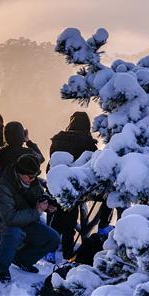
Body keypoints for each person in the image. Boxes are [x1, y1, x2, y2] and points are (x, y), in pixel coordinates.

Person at [0, 154, 61, 283]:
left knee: (53, 238)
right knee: (14, 232)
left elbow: (38, 197)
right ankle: (2, 268)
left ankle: (22, 260)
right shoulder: (3, 188)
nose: (33, 179)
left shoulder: (32, 181)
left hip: (25, 219)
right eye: (30, 176)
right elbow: (9, 218)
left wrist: (48, 205)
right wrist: (37, 211)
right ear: (20, 173)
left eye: (35, 175)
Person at [48, 111, 97, 259]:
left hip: (55, 180)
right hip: (74, 184)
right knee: (70, 219)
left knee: (55, 217)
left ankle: (50, 248)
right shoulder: (87, 142)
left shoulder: (58, 139)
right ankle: (67, 251)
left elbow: (52, 157)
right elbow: (91, 163)